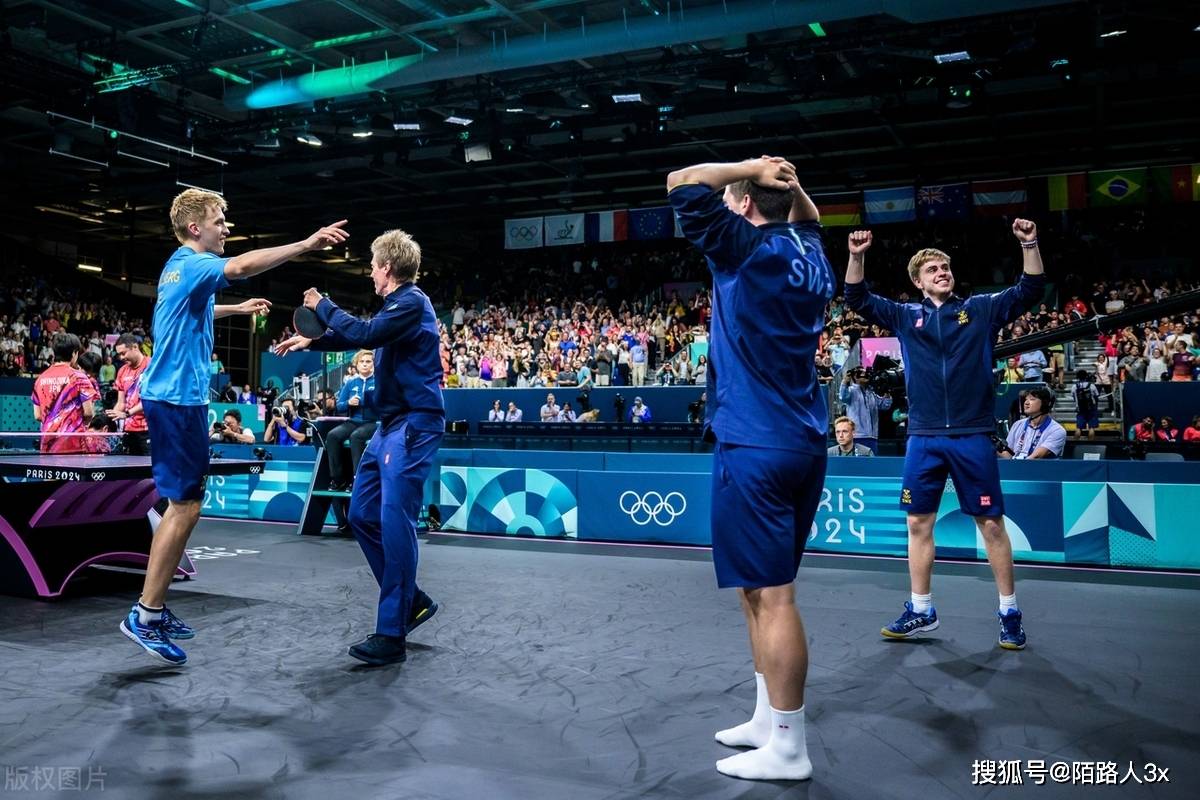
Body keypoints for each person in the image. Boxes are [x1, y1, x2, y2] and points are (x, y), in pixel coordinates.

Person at [120, 187, 341, 666]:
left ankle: (154, 603)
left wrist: (234, 311)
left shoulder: (176, 266)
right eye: (220, 220)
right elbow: (239, 267)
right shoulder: (198, 264)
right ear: (196, 227)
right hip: (177, 401)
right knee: (186, 506)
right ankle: (146, 613)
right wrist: (305, 244)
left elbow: (187, 310)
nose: (227, 227)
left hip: (174, 399)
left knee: (181, 504)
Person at [669, 155, 833, 781]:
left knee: (774, 595)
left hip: (755, 442)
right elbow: (809, 216)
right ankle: (769, 717)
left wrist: (749, 168)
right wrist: (790, 183)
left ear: (742, 206)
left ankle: (790, 747)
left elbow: (681, 180)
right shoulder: (808, 251)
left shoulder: (745, 249)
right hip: (800, 440)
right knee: (755, 589)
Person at [844, 218, 1045, 654]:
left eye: (945, 267)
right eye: (932, 269)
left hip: (973, 435)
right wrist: (856, 256)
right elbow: (855, 296)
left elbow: (1029, 289)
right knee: (918, 521)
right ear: (918, 282)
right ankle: (921, 608)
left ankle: (1009, 611)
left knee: (990, 523)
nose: (942, 272)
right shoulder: (903, 316)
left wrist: (1029, 244)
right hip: (924, 436)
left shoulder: (981, 309)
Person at [275, 228, 444, 667]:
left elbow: (367, 334)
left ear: (386, 267)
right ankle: (412, 601)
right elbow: (362, 335)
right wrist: (314, 340)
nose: (370, 272)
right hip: (388, 426)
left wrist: (321, 306)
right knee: (363, 515)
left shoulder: (412, 301)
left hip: (412, 426)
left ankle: (392, 633)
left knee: (395, 524)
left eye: (371, 265)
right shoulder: (396, 307)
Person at [31, 332, 97, 454]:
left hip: (48, 444)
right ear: (74, 353)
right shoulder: (79, 377)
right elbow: (89, 412)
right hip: (73, 444)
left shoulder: (40, 379)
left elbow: (38, 415)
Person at [324, 350, 378, 491]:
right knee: (332, 436)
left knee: (356, 436)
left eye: (368, 361)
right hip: (354, 421)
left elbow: (387, 405)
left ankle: (357, 479)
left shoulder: (380, 382)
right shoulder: (350, 383)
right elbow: (339, 406)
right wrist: (349, 402)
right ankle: (338, 479)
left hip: (372, 422)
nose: (365, 364)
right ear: (356, 364)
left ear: (373, 364)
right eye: (362, 361)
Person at [106, 333, 152, 456]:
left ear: (135, 347)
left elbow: (150, 400)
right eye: (119, 354)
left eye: (123, 353)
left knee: (149, 471)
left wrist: (126, 414)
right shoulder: (122, 371)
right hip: (129, 430)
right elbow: (121, 403)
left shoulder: (152, 366)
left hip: (149, 429)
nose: (121, 357)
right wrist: (112, 416)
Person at [999, 387, 1066, 459]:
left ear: (1045, 403)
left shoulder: (1057, 430)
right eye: (1026, 399)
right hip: (1017, 467)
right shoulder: (1017, 424)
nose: (1026, 403)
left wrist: (1016, 465)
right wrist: (996, 448)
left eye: (1032, 399)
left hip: (1039, 469)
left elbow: (1036, 457)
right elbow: (1009, 454)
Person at [838, 367, 892, 454]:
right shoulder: (851, 391)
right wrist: (845, 381)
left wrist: (887, 392)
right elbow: (843, 396)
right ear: (855, 377)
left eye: (865, 372)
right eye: (861, 373)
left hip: (872, 436)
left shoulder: (871, 393)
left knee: (872, 464)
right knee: (859, 464)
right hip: (857, 436)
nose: (864, 374)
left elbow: (885, 405)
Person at [1073, 370, 1101, 440]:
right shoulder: (1091, 385)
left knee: (1078, 428)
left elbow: (1073, 397)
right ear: (1086, 376)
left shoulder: (1074, 386)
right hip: (1091, 408)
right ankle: (1090, 444)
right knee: (1091, 428)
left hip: (1080, 408)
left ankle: (1074, 444)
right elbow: (1096, 396)